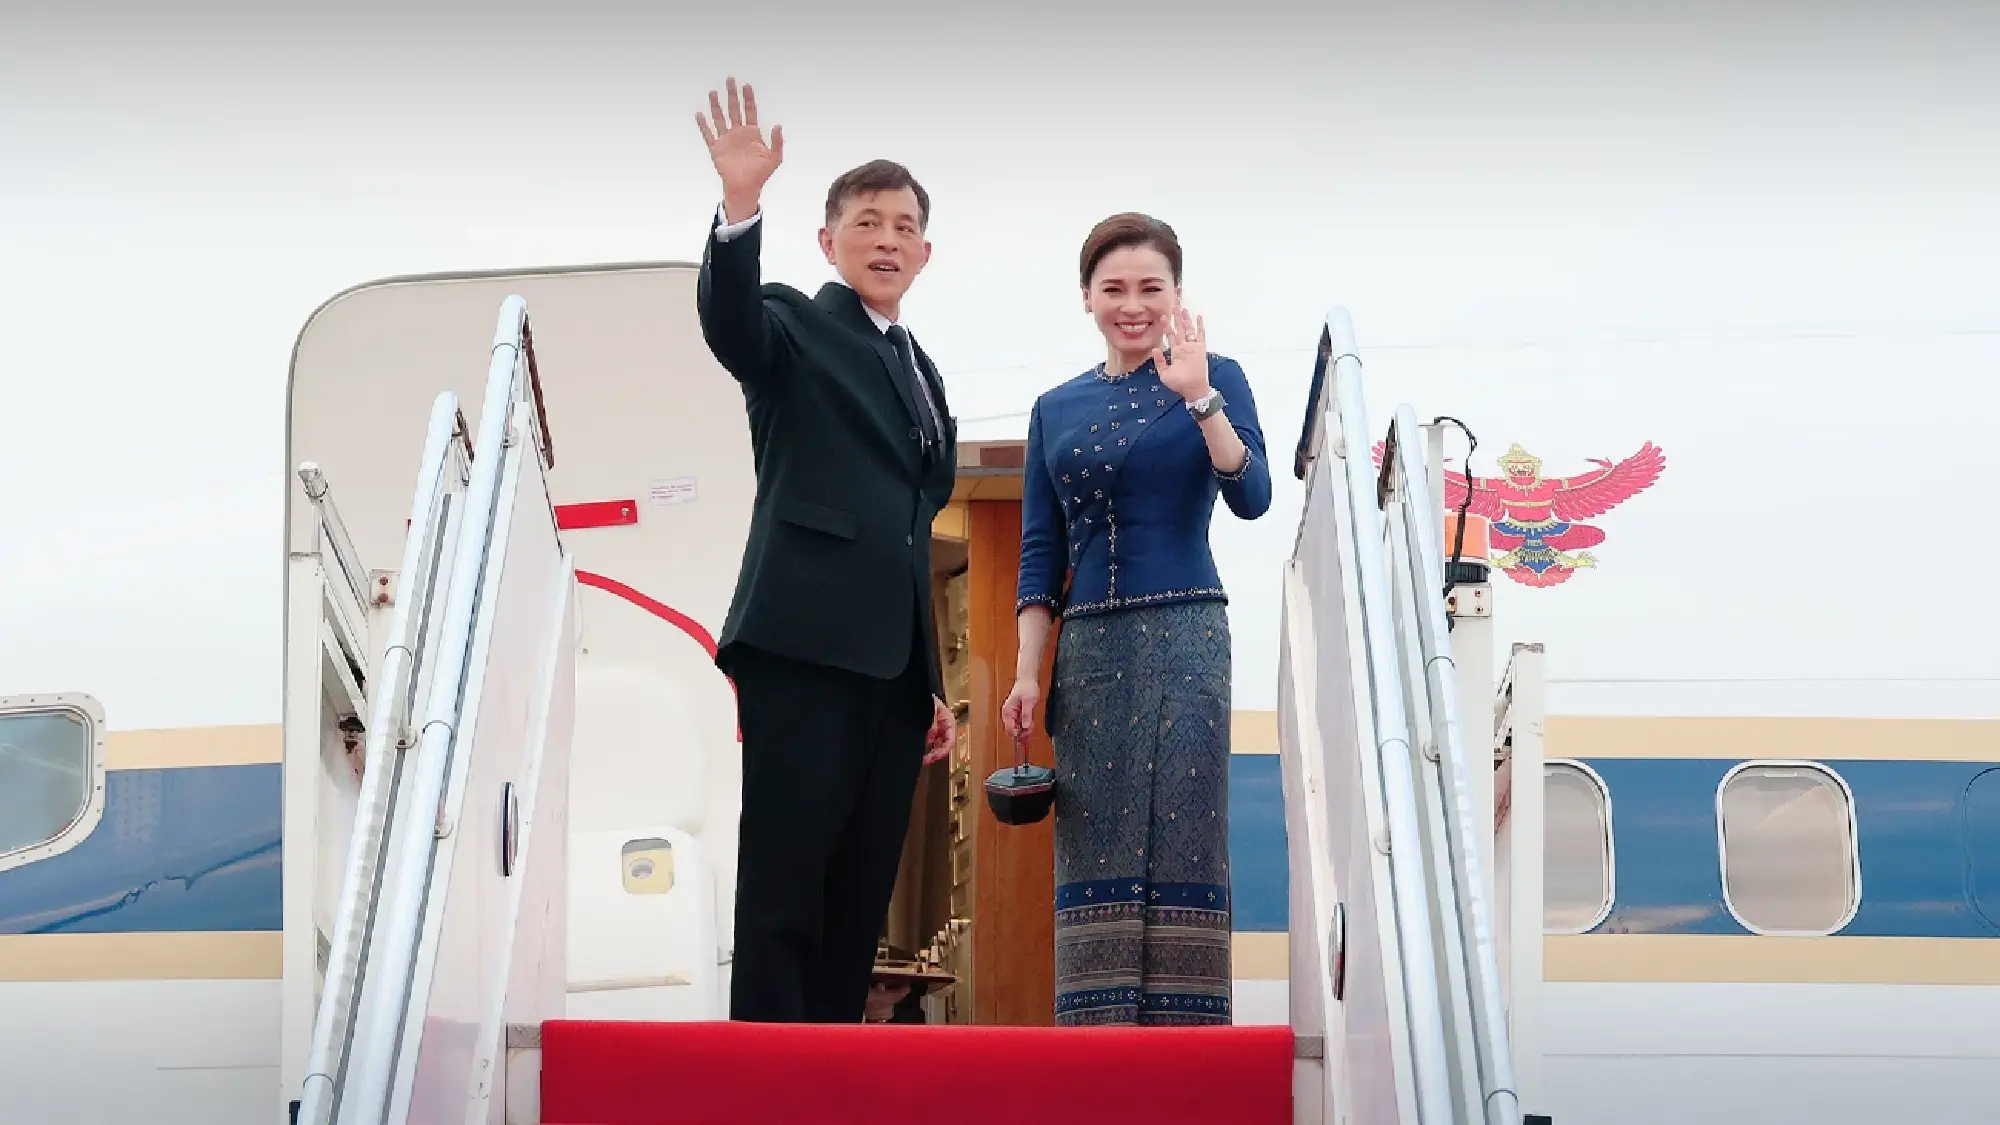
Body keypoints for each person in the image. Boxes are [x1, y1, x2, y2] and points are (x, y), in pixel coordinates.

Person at [693, 77, 958, 1025]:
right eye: (867, 222)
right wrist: (738, 208)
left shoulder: (920, 370)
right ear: (827, 241)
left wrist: (929, 681)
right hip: (802, 649)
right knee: (785, 889)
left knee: (858, 902)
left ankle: (832, 1072)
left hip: (890, 677)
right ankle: (766, 1080)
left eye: (904, 226)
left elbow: (910, 530)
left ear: (926, 251)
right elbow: (730, 326)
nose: (886, 239)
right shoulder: (796, 325)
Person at [1000, 213, 1272, 1027]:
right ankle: (1097, 1046)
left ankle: (1186, 1049)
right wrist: (1025, 670)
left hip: (1188, 634)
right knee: (1095, 837)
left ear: (1176, 294)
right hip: (1090, 650)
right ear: (1086, 296)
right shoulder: (1056, 406)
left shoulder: (1215, 376)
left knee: (1186, 829)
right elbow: (1040, 552)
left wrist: (1201, 400)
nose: (1132, 304)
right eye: (1113, 288)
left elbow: (1251, 495)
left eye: (1150, 287)